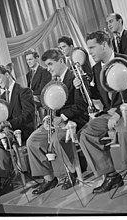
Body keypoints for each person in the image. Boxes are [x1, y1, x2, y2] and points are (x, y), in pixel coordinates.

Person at [74, 30, 127, 194]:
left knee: (124, 129)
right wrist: (82, 86)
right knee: (85, 134)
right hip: (109, 112)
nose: (90, 52)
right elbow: (97, 95)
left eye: (92, 47)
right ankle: (111, 175)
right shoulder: (95, 69)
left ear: (104, 45)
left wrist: (117, 112)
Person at [27, 48, 89, 195]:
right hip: (56, 121)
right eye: (46, 65)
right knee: (32, 141)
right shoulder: (53, 81)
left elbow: (81, 106)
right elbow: (50, 105)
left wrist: (62, 118)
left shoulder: (76, 77)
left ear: (61, 61)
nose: (48, 69)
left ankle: (67, 174)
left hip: (73, 120)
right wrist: (48, 118)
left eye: (50, 64)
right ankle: (49, 178)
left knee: (55, 139)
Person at [0, 65, 36, 198]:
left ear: (7, 74)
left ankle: (5, 181)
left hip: (22, 130)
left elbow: (28, 114)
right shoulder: (4, 95)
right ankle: (0, 179)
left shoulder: (23, 90)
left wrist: (9, 123)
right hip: (8, 129)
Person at [24, 49, 51, 123]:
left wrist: (29, 94)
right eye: (27, 60)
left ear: (36, 59)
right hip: (32, 99)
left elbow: (43, 89)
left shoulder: (44, 71)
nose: (28, 62)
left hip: (41, 99)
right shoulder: (28, 75)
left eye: (30, 59)